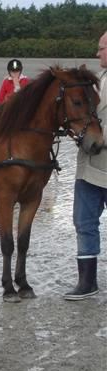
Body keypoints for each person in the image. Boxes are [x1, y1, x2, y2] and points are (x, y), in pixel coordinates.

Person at [64, 31, 107, 300]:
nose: (97, 53)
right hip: (88, 169)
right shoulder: (98, 80)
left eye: (101, 48)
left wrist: (98, 140)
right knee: (83, 223)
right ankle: (87, 282)